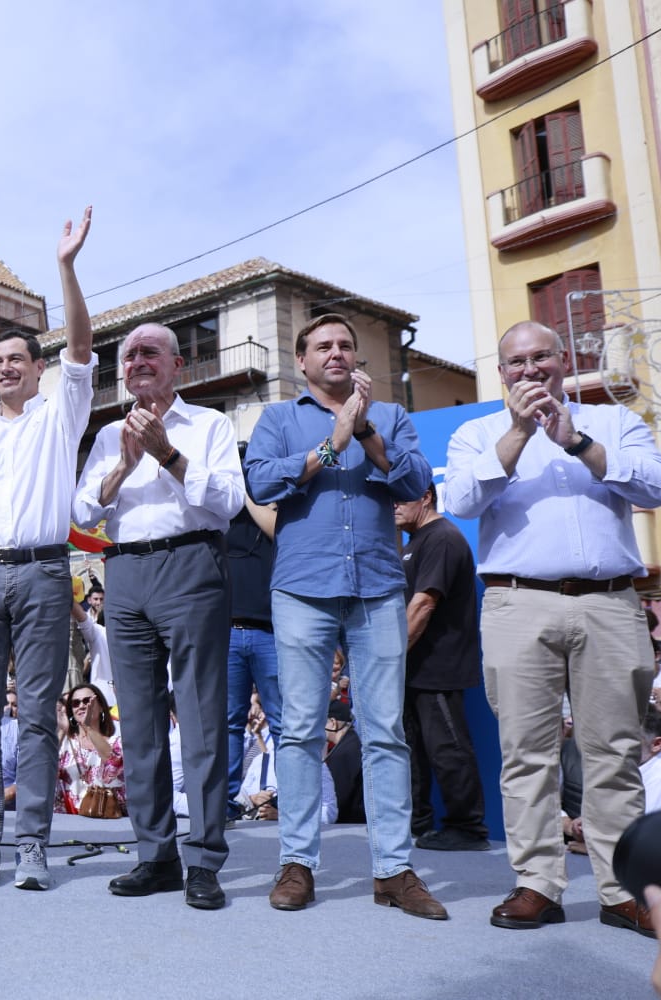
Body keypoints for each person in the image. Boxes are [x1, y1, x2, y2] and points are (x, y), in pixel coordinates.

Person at [446, 319, 661, 935]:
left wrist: (578, 444)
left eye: (540, 358)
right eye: (516, 363)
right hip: (519, 604)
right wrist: (521, 432)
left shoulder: (611, 422)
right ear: (502, 374)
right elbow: (463, 502)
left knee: (615, 753)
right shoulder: (477, 432)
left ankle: (622, 891)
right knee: (527, 755)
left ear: (561, 361)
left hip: (608, 602)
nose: (529, 371)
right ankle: (537, 884)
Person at [244, 313, 446, 919]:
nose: (336, 352)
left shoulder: (391, 417)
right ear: (301, 362)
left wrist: (366, 436)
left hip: (379, 587)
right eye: (323, 346)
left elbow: (415, 482)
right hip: (303, 589)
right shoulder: (279, 419)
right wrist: (331, 442)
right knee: (301, 729)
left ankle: (393, 870)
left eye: (346, 346)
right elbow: (260, 481)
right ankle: (299, 863)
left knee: (385, 730)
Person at [0, 207, 94, 891]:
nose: (3, 368)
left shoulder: (61, 416)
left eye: (15, 359)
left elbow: (83, 348)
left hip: (41, 575)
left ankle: (30, 842)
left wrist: (65, 267)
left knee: (35, 715)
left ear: (38, 368)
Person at [72, 320, 243, 906]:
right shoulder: (107, 434)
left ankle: (204, 860)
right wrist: (121, 466)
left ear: (177, 365)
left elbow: (227, 503)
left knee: (198, 720)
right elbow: (82, 511)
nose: (138, 362)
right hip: (124, 574)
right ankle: (156, 855)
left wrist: (167, 454)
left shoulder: (210, 425)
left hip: (191, 564)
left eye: (150, 353)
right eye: (128, 356)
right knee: (138, 723)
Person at [393, 483, 489, 852]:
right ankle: (417, 823)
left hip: (438, 666)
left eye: (401, 499)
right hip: (413, 666)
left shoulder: (443, 538)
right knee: (410, 750)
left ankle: (467, 827)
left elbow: (423, 605)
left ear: (427, 497)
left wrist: (391, 657)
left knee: (447, 748)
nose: (394, 507)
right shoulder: (414, 540)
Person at [224, 452, 281, 823]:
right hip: (226, 633)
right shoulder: (219, 516)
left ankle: (288, 801)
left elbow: (276, 527)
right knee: (228, 721)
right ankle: (226, 805)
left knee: (284, 723)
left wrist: (248, 494)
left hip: (270, 633)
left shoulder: (273, 505)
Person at [55, 683, 125, 816]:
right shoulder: (64, 743)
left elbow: (113, 765)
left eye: (87, 701)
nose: (81, 705)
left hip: (104, 820)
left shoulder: (115, 742)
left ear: (101, 707)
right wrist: (63, 732)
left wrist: (88, 727)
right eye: (75, 703)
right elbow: (46, 772)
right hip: (67, 821)